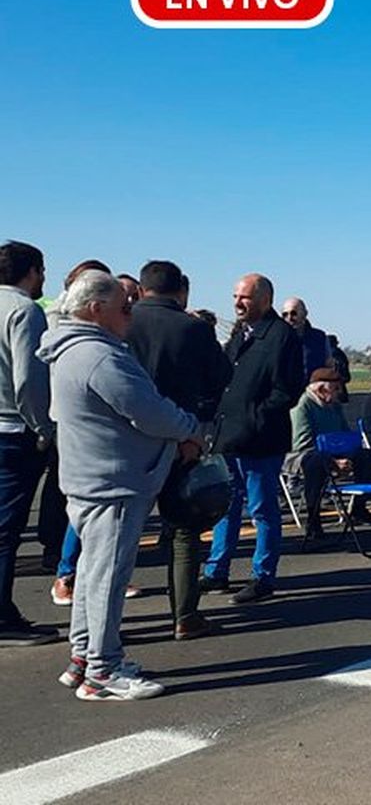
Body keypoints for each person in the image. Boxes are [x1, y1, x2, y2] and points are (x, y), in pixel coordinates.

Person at [38, 271, 202, 699]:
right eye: (124, 306)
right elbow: (147, 410)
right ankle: (103, 670)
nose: (131, 312)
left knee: (93, 573)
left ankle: (83, 656)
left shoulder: (68, 348)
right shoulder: (98, 356)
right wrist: (188, 429)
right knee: (108, 576)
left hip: (90, 476)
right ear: (96, 309)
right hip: (113, 481)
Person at [122, 260, 231, 640]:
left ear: (141, 287)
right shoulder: (193, 328)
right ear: (181, 290)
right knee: (184, 530)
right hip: (180, 437)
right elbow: (221, 378)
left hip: (127, 442)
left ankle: (107, 621)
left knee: (120, 534)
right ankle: (185, 614)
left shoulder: (122, 321)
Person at [203, 273, 303, 605]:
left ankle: (263, 576)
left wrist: (255, 416)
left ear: (264, 299)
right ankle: (216, 570)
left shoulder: (281, 336)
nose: (237, 302)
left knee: (262, 509)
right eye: (235, 296)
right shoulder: (239, 335)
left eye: (244, 297)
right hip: (228, 437)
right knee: (225, 506)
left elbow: (287, 390)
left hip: (260, 439)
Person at [0, 240, 58, 644]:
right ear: (32, 271)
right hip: (13, 431)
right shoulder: (24, 311)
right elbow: (28, 381)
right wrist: (44, 428)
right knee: (7, 530)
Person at [286, 368, 371, 547]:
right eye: (335, 389)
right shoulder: (302, 406)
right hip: (304, 454)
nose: (339, 393)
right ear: (321, 390)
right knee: (316, 463)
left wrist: (349, 452)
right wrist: (334, 462)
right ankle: (313, 522)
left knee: (365, 456)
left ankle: (359, 507)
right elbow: (302, 443)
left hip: (334, 449)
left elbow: (344, 432)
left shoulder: (334, 405)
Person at [279, 297, 329, 384]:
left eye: (294, 313)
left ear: (305, 314)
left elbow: (329, 366)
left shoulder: (320, 338)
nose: (289, 318)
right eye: (285, 315)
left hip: (313, 392)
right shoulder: (277, 339)